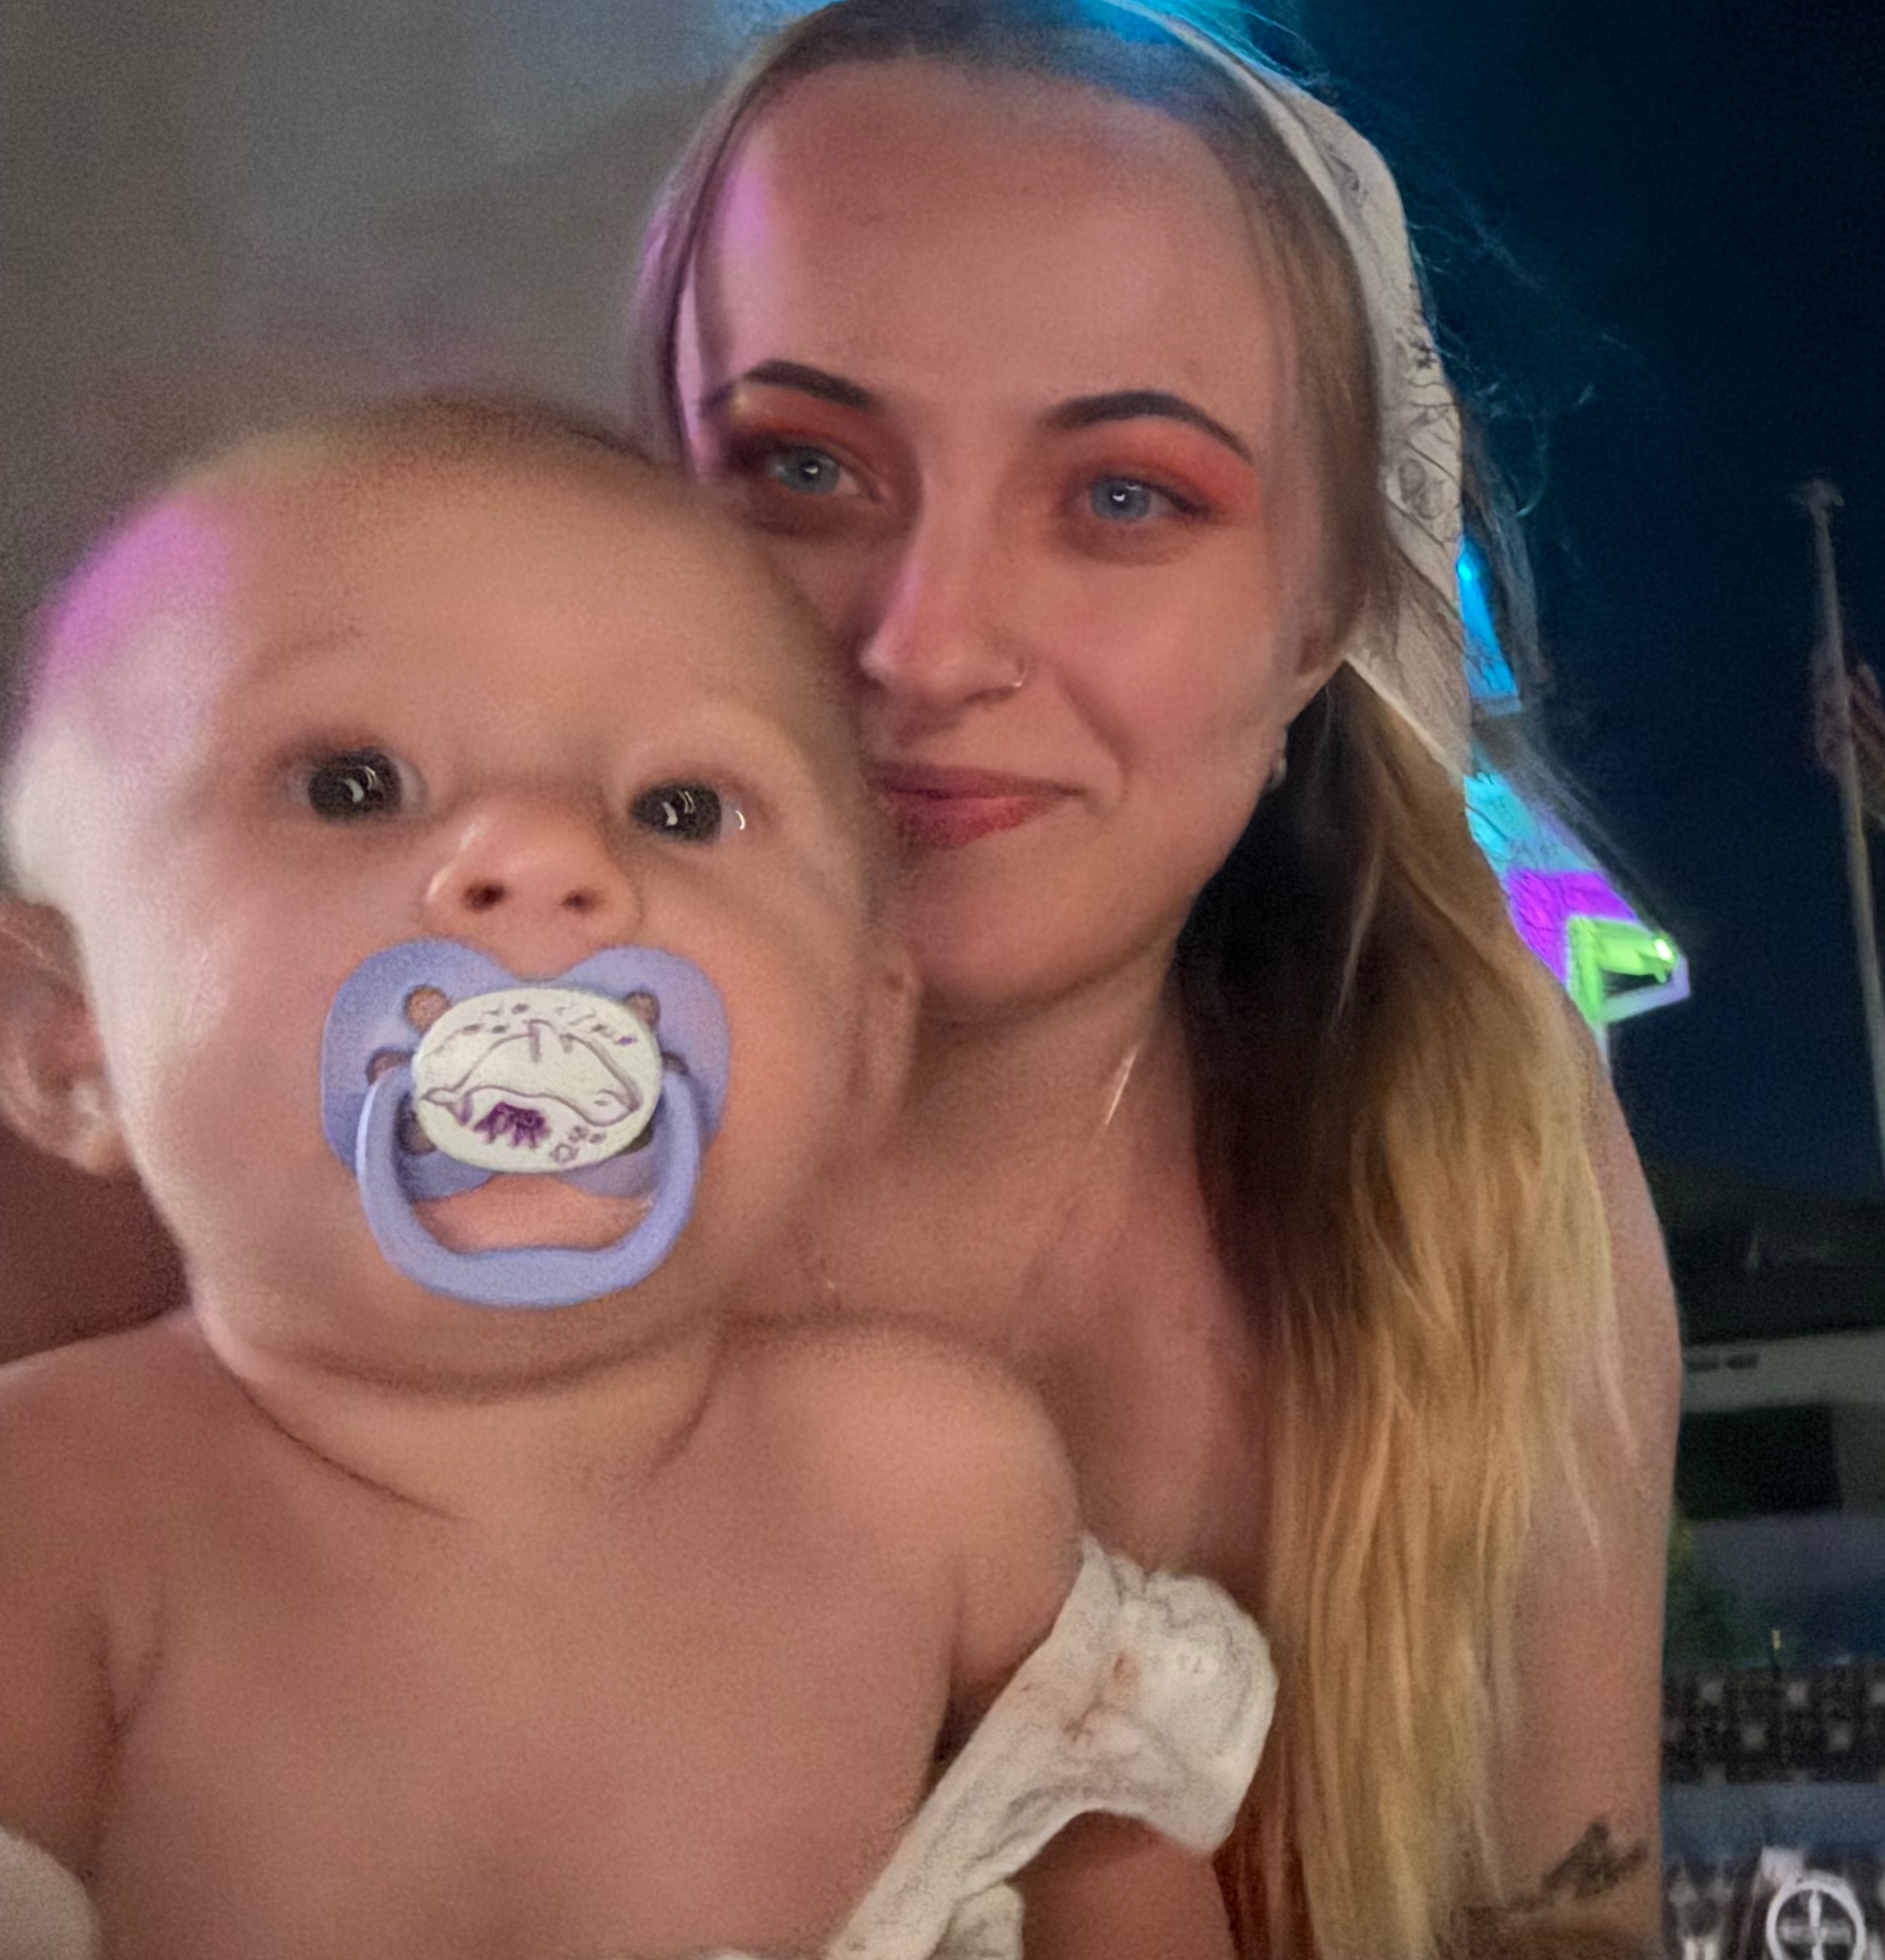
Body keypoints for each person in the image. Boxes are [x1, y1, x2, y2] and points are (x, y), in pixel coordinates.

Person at [633, 0, 1682, 1955]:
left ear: (1320, 620)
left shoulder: (1482, 1184)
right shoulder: (307, 1129)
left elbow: (1563, 1914)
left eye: (1124, 495)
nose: (926, 646)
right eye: (804, 467)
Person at [0, 402, 1272, 1959]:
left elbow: (1112, 1878)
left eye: (682, 809)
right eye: (349, 783)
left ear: (862, 1041)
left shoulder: (932, 1484)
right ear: (67, 1043)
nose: (544, 857)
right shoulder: (54, 1525)